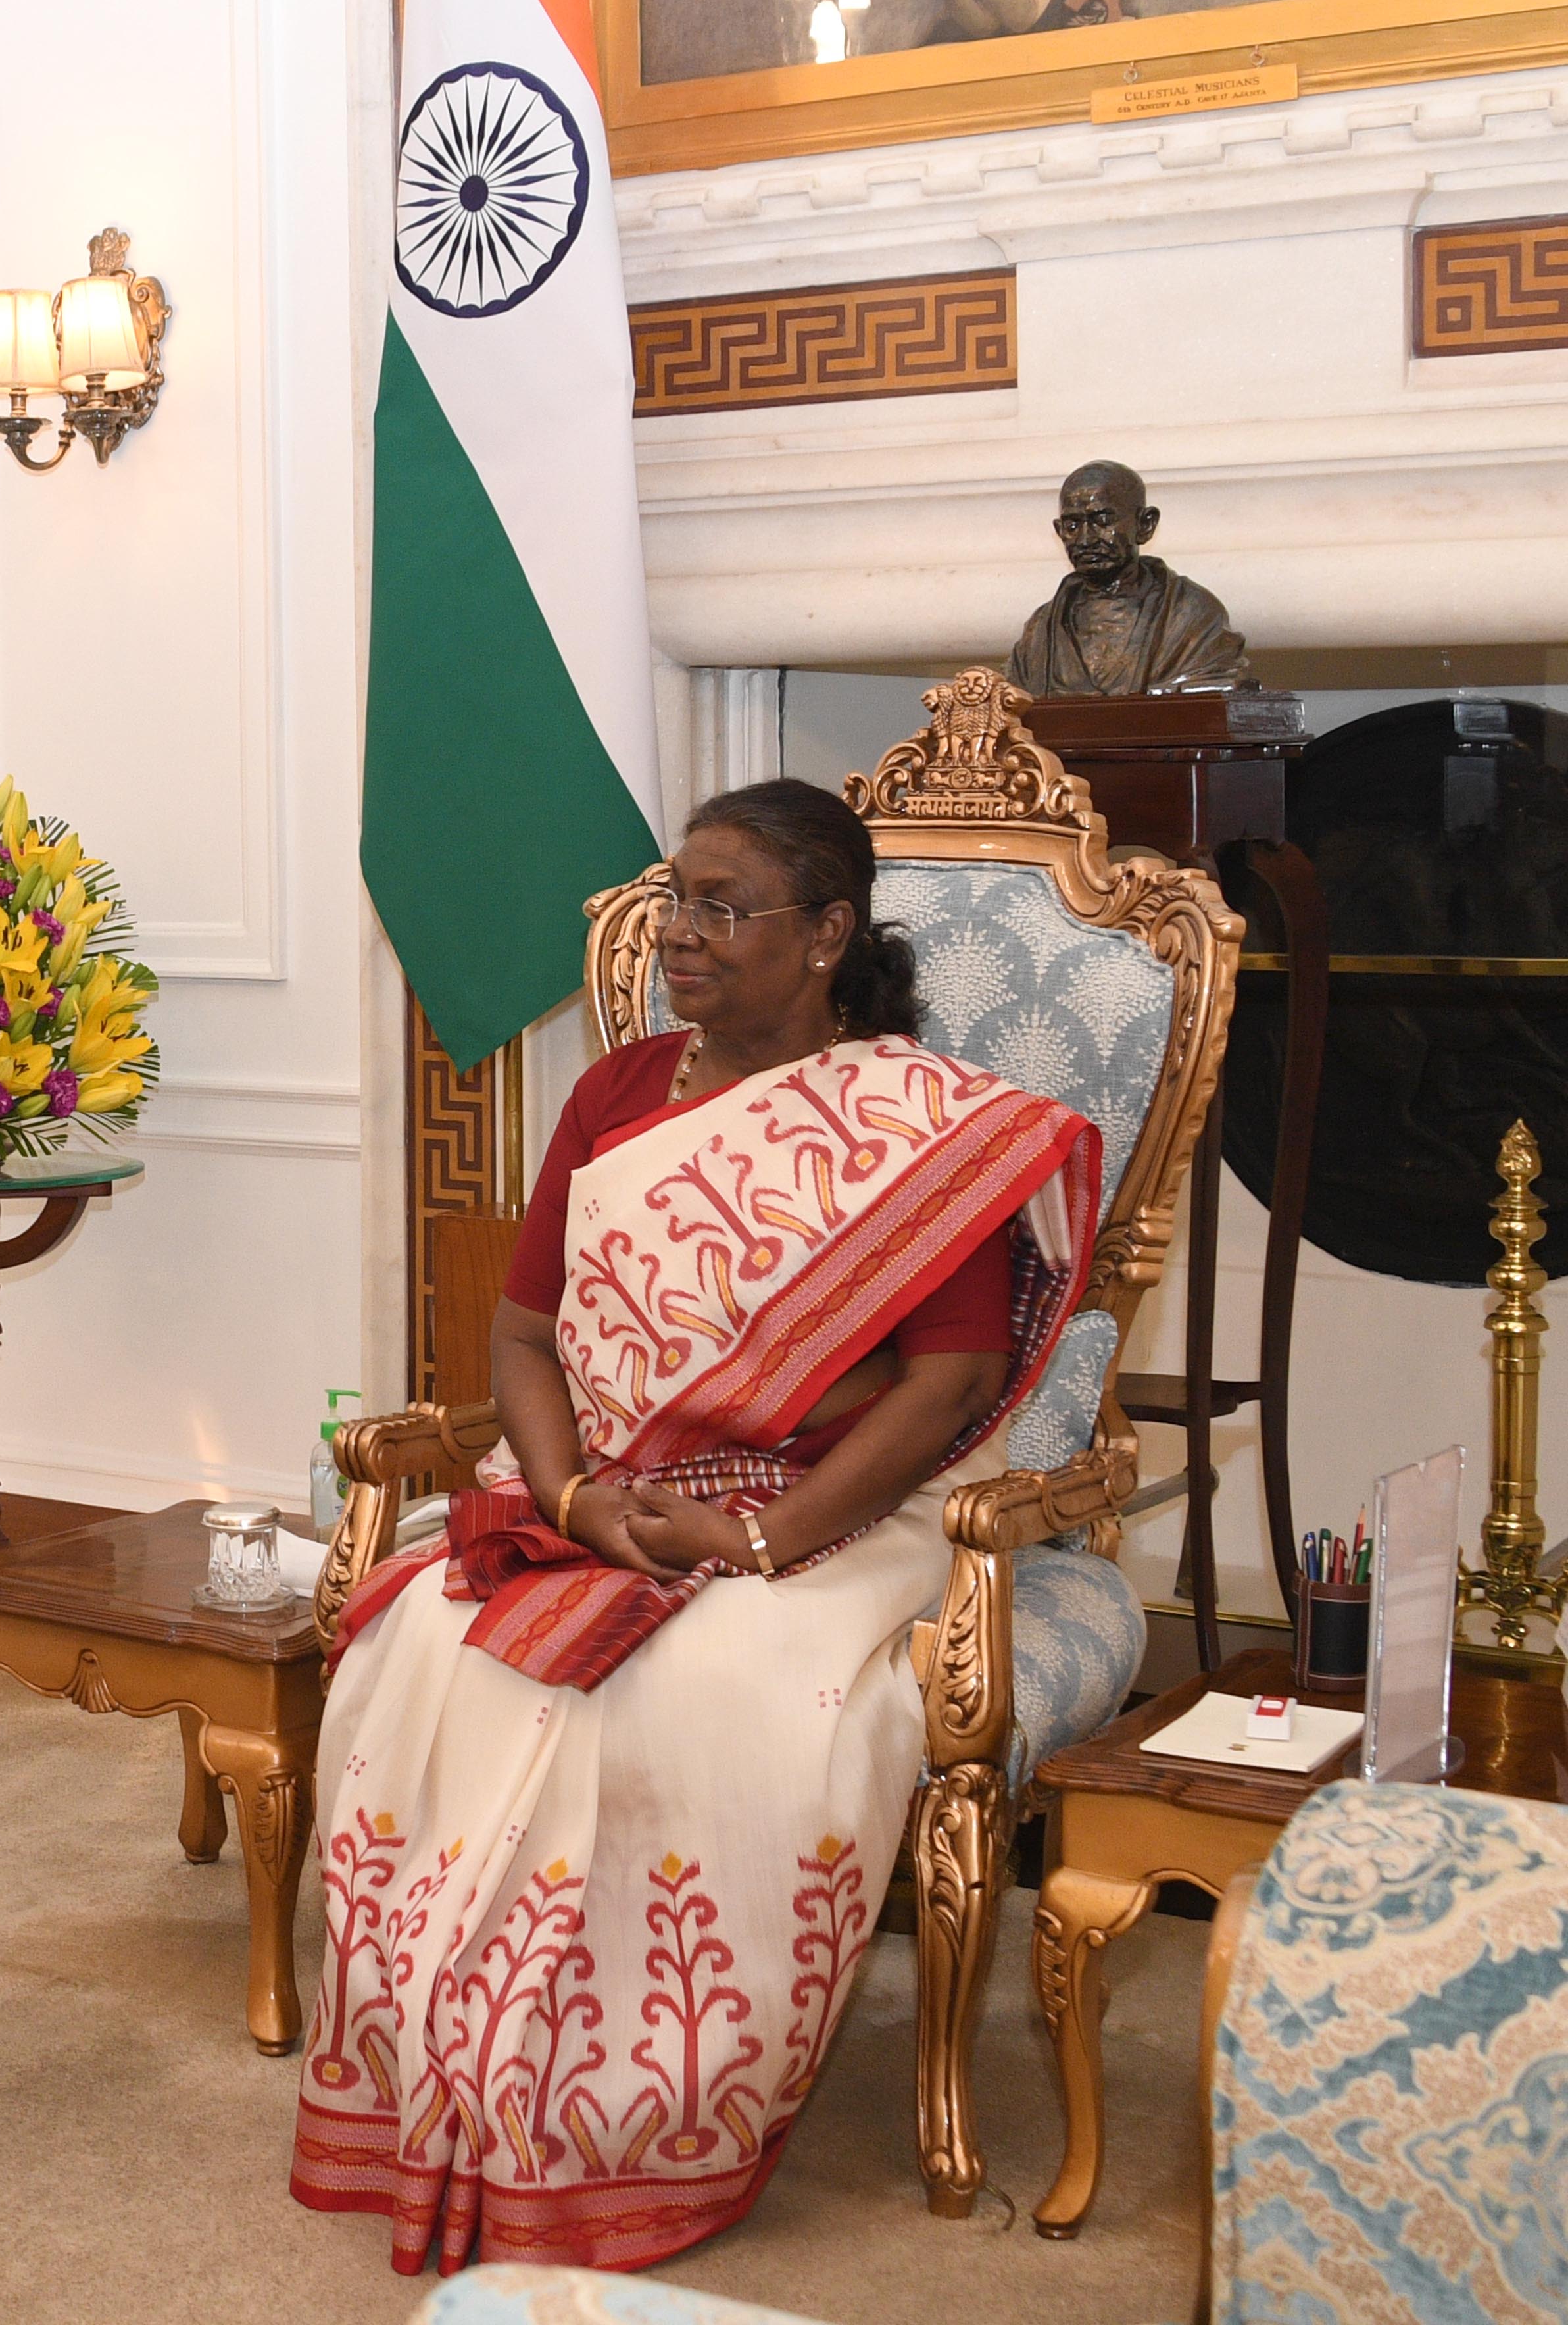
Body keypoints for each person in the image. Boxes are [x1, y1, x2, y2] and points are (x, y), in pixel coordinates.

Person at [291, 781, 1099, 2273]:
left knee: (712, 1681)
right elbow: (522, 1334)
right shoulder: (615, 1095)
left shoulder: (918, 1131)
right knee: (425, 1644)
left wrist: (759, 1540)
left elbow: (946, 1385)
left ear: (827, 934)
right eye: (676, 899)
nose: (679, 933)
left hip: (838, 1507)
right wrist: (571, 1499)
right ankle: (464, 2076)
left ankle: (642, 2119)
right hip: (613, 1486)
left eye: (724, 909)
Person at [1004, 459, 1254, 697]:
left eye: (1103, 521)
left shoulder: (1192, 617)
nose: (1085, 539)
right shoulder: (1039, 633)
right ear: (1059, 531)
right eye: (1072, 526)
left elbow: (1215, 695)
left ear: (1145, 525)